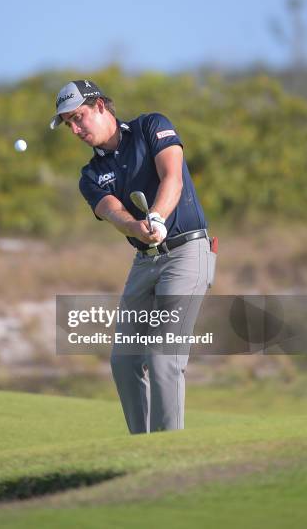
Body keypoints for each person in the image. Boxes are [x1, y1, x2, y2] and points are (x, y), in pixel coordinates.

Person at [50, 79, 215, 434]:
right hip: (145, 261)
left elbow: (173, 177)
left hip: (187, 252)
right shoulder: (90, 175)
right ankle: (143, 450)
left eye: (78, 117)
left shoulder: (151, 126)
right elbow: (113, 213)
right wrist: (138, 227)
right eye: (68, 124)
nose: (76, 129)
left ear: (99, 106)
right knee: (124, 362)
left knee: (162, 357)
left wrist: (155, 216)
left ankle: (167, 454)